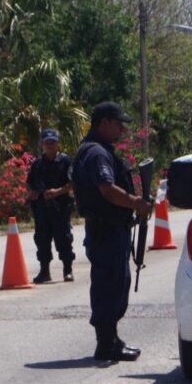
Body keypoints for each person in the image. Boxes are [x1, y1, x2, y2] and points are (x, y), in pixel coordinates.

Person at [71, 102, 151, 362]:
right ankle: (106, 344)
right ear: (104, 123)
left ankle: (111, 340)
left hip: (109, 229)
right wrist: (135, 203)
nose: (122, 130)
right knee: (109, 286)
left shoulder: (96, 150)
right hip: (106, 230)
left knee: (117, 284)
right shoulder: (96, 153)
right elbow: (107, 189)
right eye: (118, 124)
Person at [26, 129, 75, 283]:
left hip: (60, 207)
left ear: (57, 143)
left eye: (52, 142)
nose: (50, 145)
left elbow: (73, 183)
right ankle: (44, 272)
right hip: (42, 208)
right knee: (42, 240)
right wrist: (33, 193)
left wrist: (58, 191)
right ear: (42, 144)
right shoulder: (37, 164)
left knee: (64, 239)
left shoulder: (66, 161)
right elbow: (30, 183)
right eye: (47, 142)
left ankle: (68, 270)